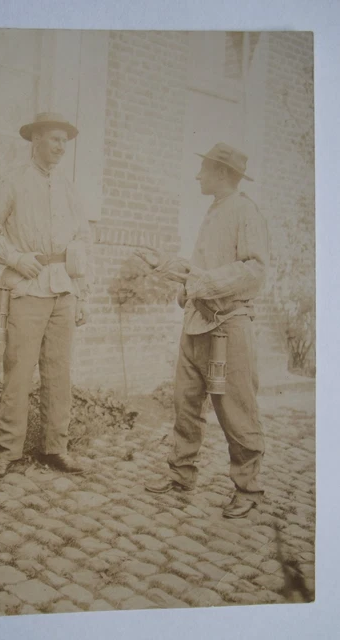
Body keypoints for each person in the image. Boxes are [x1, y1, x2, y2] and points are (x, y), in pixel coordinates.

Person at [143, 143, 269, 519]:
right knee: (185, 402)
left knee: (236, 409)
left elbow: (255, 271)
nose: (198, 176)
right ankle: (181, 474)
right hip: (197, 324)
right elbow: (200, 272)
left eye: (204, 170)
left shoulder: (245, 211)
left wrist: (202, 284)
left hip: (229, 327)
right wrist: (171, 269)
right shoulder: (215, 211)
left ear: (221, 173)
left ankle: (248, 488)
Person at [0, 112, 92, 480]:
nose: (60, 148)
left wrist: (82, 292)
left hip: (64, 290)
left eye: (65, 142)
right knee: (19, 372)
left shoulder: (69, 187)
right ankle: (7, 451)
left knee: (59, 373)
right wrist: (16, 258)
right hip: (28, 287)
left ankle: (56, 448)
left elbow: (84, 238)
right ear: (36, 139)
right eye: (55, 139)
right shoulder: (12, 181)